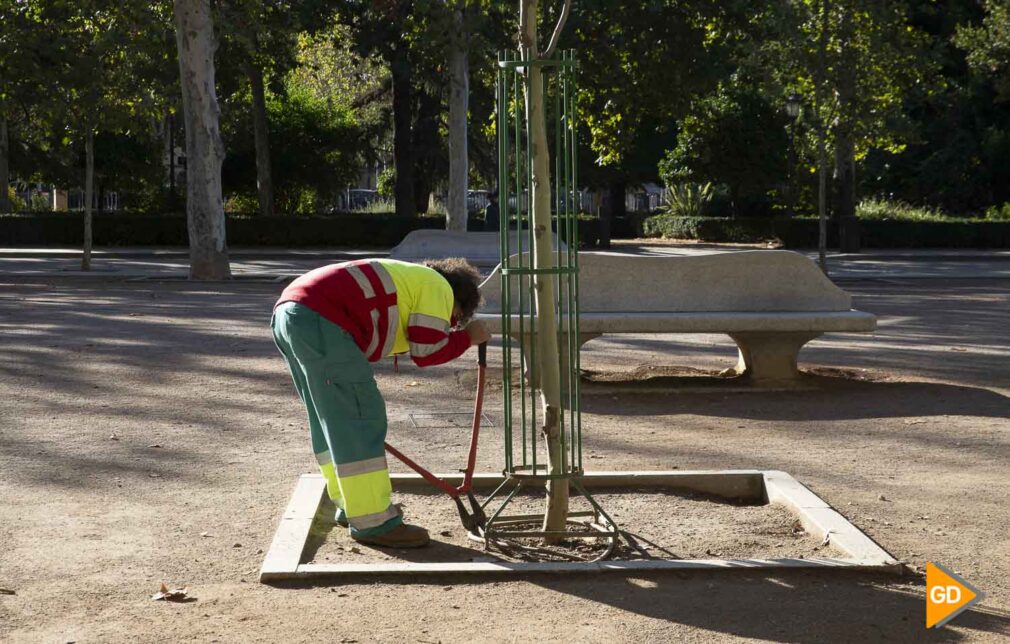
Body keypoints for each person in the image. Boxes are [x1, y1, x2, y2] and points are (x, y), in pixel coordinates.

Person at [271, 258, 491, 548]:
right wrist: (467, 337)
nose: (449, 324)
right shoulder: (438, 287)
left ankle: (354, 507)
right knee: (361, 418)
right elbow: (427, 351)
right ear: (458, 300)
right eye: (454, 318)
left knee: (332, 420)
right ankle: (374, 522)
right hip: (320, 318)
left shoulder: (410, 281)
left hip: (291, 314)